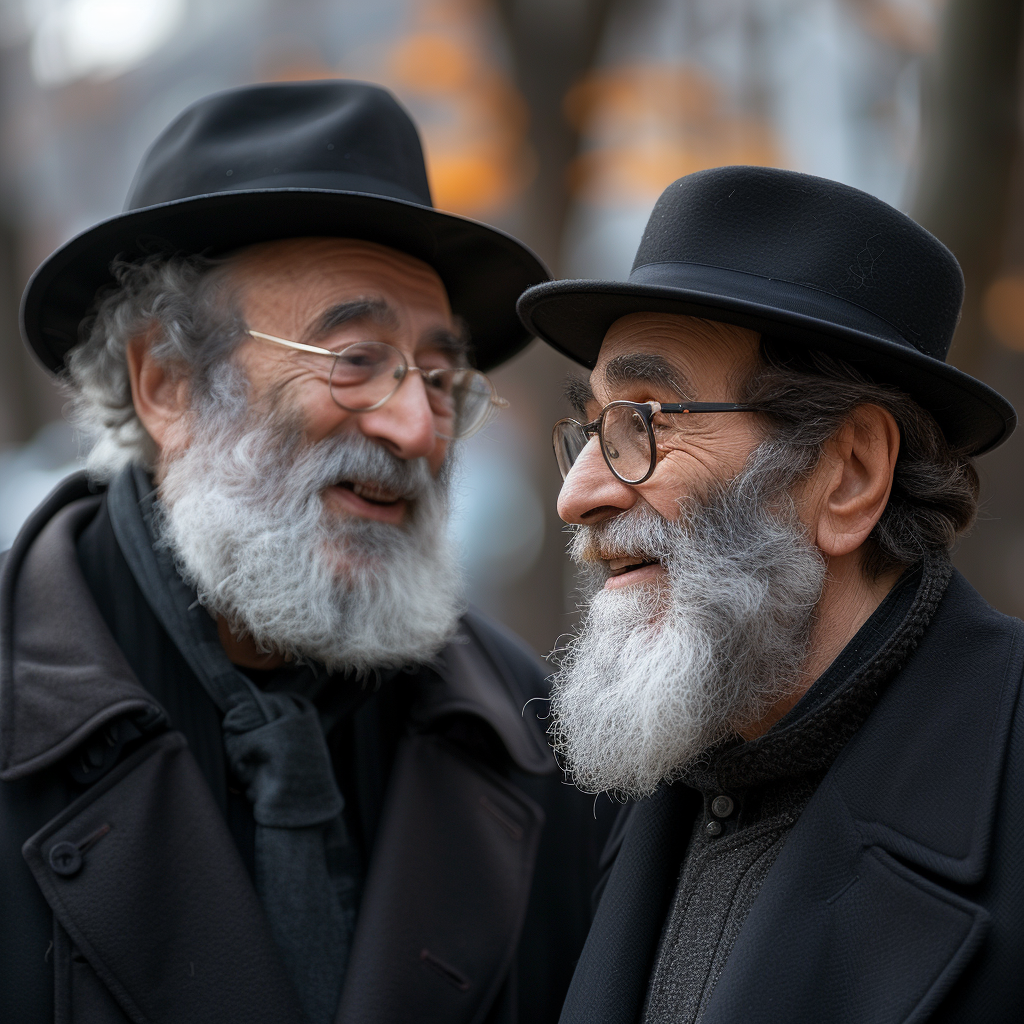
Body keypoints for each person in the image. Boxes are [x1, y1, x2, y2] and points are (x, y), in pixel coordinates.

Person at [0, 81, 607, 1024]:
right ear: (167, 383)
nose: (415, 426)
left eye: (441, 378)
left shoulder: (537, 745)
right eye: (357, 359)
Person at [517, 165, 1024, 1023]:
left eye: (647, 421)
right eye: (594, 428)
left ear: (849, 476)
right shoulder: (611, 792)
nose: (578, 495)